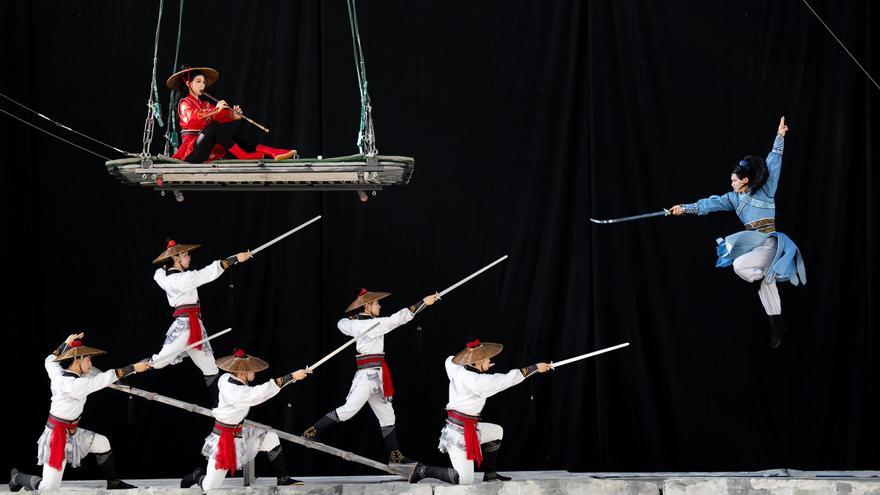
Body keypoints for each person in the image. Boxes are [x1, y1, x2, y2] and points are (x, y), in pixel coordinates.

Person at [669, 117, 806, 348]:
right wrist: (684, 209)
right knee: (765, 285)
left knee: (739, 265)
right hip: (755, 247)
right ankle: (777, 326)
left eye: (734, 180)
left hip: (771, 244)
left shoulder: (766, 191)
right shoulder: (733, 199)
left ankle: (759, 278)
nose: (731, 183)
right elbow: (708, 204)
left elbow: (774, 162)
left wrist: (780, 137)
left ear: (745, 180)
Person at [302, 289, 439, 464]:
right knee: (348, 410)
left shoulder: (355, 324)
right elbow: (396, 320)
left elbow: (341, 323)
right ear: (368, 305)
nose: (380, 306)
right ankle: (311, 432)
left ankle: (395, 455)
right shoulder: (372, 325)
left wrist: (354, 318)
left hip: (377, 375)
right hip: (367, 377)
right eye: (377, 303)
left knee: (388, 416)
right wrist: (422, 303)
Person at [9, 333, 150, 491]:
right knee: (48, 488)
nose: (90, 363)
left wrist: (66, 343)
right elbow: (102, 379)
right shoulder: (75, 385)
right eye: (88, 359)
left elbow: (49, 360)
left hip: (72, 433)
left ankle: (114, 482)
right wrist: (133, 368)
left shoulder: (57, 372)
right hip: (57, 438)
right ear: (77, 360)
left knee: (102, 442)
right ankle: (18, 477)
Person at [409, 339, 552, 485]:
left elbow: (450, 359)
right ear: (477, 362)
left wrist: (476, 360)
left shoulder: (456, 369)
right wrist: (535, 367)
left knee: (497, 431)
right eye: (487, 358)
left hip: (468, 428)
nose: (490, 360)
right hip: (459, 436)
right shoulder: (478, 382)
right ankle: (424, 470)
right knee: (464, 480)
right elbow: (507, 379)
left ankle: (490, 474)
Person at [180, 348, 310, 489]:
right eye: (251, 370)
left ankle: (283, 478)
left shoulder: (226, 378)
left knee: (270, 437)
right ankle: (197, 475)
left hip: (239, 433)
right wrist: (292, 377)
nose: (254, 372)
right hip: (224, 439)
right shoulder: (237, 392)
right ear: (242, 373)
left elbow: (256, 391)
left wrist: (292, 378)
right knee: (209, 487)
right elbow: (260, 393)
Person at [150, 239, 252, 398]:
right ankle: (130, 371)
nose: (189, 257)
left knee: (210, 368)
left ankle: (221, 405)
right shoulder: (181, 279)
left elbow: (158, 274)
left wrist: (165, 265)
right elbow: (205, 274)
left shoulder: (165, 277)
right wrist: (234, 259)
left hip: (194, 324)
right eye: (185, 255)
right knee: (158, 362)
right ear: (176, 258)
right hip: (185, 327)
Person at [166, 66, 297, 163]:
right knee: (215, 127)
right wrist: (216, 109)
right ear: (189, 84)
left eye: (204, 82)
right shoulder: (184, 103)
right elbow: (192, 118)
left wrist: (233, 115)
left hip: (203, 149)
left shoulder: (204, 104)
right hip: (192, 153)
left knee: (235, 138)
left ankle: (273, 152)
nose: (202, 85)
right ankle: (243, 156)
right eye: (198, 81)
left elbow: (219, 115)